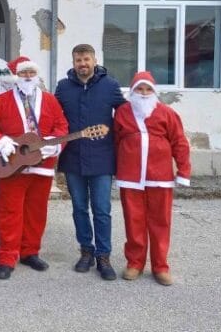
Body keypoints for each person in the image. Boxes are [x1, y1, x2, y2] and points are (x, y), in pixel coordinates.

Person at [0, 57, 69, 279]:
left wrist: (53, 145)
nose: (27, 77)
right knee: (9, 212)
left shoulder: (49, 101)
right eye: (23, 73)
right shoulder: (3, 100)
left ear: (36, 76)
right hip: (13, 166)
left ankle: (30, 252)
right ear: (16, 77)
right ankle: (7, 257)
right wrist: (0, 143)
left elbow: (62, 126)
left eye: (31, 73)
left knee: (36, 213)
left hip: (42, 167)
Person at [55, 43, 126, 280]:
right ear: (73, 62)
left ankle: (104, 256)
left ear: (94, 60)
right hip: (73, 157)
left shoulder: (111, 86)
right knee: (79, 208)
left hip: (102, 159)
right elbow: (53, 118)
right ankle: (86, 251)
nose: (82, 64)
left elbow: (126, 117)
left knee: (102, 209)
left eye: (86, 59)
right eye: (78, 60)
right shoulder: (63, 87)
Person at [114, 71, 191, 286]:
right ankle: (135, 262)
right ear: (133, 91)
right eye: (140, 89)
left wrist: (183, 171)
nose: (144, 93)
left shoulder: (167, 113)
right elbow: (116, 140)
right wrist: (115, 168)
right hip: (130, 176)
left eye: (148, 89)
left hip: (160, 176)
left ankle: (160, 265)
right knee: (133, 220)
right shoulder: (122, 112)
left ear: (154, 91)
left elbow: (180, 143)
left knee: (160, 221)